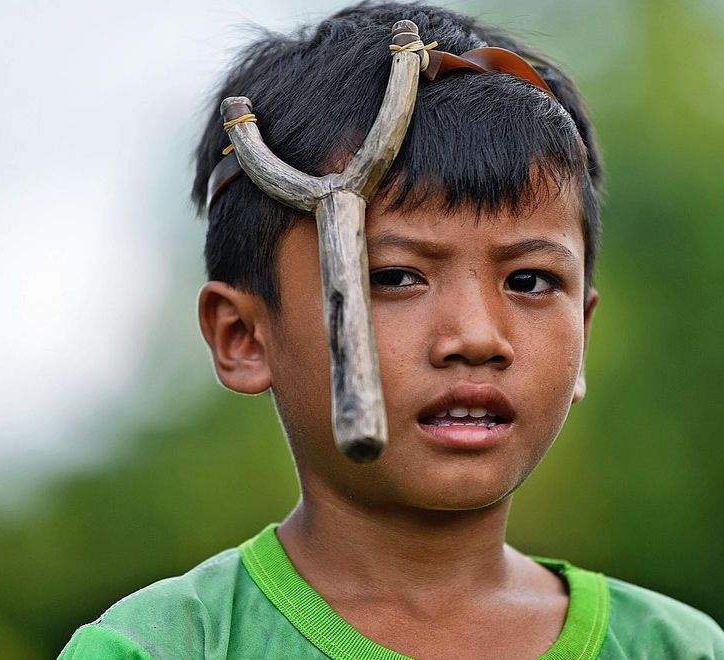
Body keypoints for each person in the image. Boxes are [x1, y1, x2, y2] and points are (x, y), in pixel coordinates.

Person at [59, 2, 724, 658]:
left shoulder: (675, 647)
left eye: (529, 281)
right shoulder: (168, 646)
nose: (475, 336)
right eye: (395, 277)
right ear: (243, 336)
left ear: (582, 331)